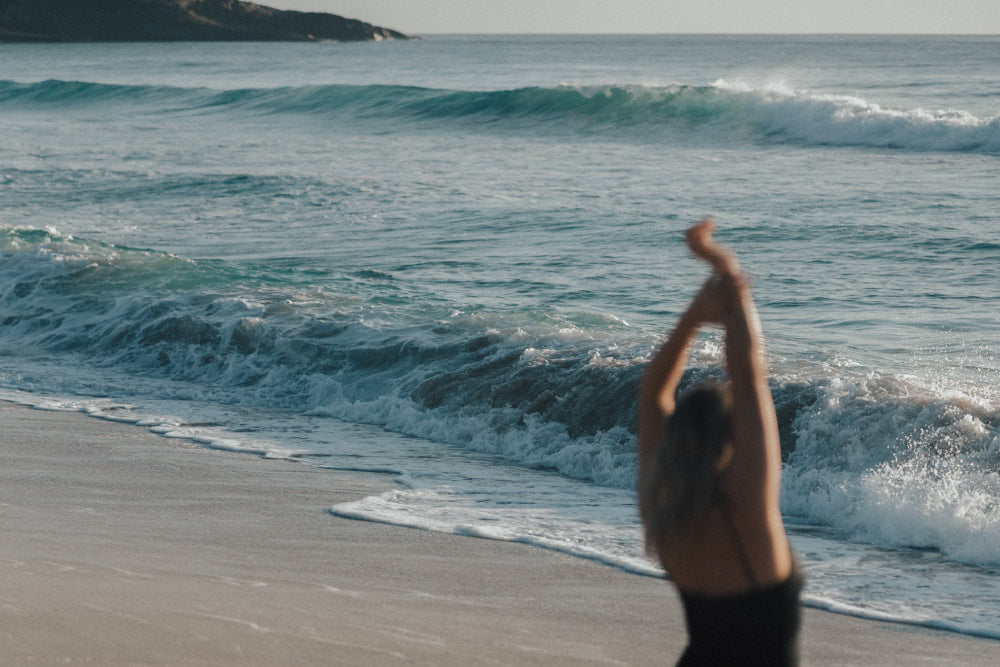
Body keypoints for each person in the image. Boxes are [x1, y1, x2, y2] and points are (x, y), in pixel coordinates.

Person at [638, 219, 802, 666]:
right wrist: (725, 266)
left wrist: (694, 316)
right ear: (732, 439)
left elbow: (653, 393)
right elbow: (749, 373)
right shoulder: (749, 503)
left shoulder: (662, 512)